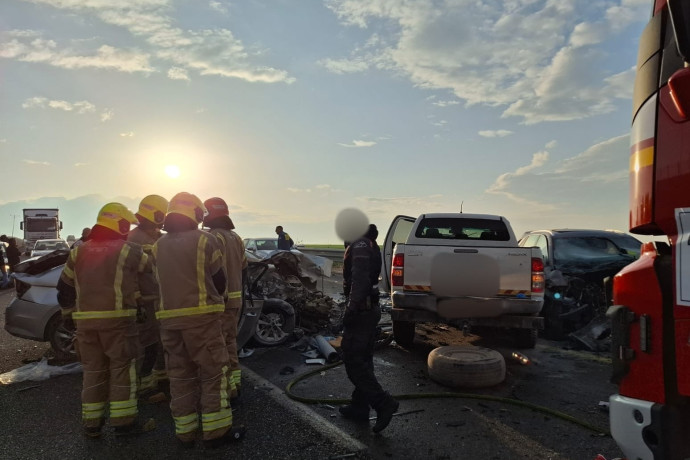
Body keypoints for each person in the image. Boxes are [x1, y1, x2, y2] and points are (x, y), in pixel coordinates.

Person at [152, 192, 244, 449]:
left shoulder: (159, 245)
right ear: (194, 212)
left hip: (169, 322)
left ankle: (185, 433)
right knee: (213, 373)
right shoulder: (205, 241)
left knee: (180, 376)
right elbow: (219, 280)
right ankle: (215, 432)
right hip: (202, 320)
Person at [56, 203, 152, 438]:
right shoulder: (128, 250)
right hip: (118, 322)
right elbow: (152, 268)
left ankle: (92, 424)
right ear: (118, 223)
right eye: (125, 224)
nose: (127, 229)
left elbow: (63, 288)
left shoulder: (79, 251)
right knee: (121, 370)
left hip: (86, 325)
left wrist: (69, 315)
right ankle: (123, 423)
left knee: (93, 371)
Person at [340, 223, 399, 433]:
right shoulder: (367, 243)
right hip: (367, 310)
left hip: (362, 311)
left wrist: (350, 310)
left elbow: (360, 280)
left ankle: (383, 403)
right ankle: (359, 407)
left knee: (353, 360)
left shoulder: (360, 245)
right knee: (364, 360)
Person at [203, 197, 247, 400]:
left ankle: (226, 390)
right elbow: (244, 266)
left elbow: (212, 270)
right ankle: (235, 383)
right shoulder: (235, 237)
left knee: (218, 347)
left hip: (221, 300)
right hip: (235, 300)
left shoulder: (213, 237)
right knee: (230, 342)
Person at [127, 195, 168, 400]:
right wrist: (137, 301)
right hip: (146, 301)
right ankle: (144, 386)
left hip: (159, 300)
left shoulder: (157, 237)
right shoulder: (134, 239)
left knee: (161, 342)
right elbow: (130, 273)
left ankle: (161, 379)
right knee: (147, 344)